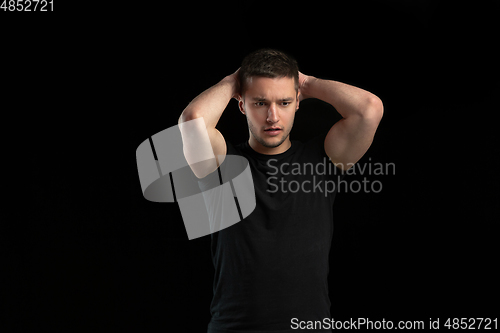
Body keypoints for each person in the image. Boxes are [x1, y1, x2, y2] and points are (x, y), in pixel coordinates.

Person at [178, 49, 383, 332]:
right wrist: (234, 81)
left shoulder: (322, 160)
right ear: (241, 105)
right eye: (260, 102)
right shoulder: (221, 167)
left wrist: (306, 82)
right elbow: (192, 121)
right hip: (234, 328)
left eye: (284, 102)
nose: (273, 116)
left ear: (298, 102)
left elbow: (369, 108)